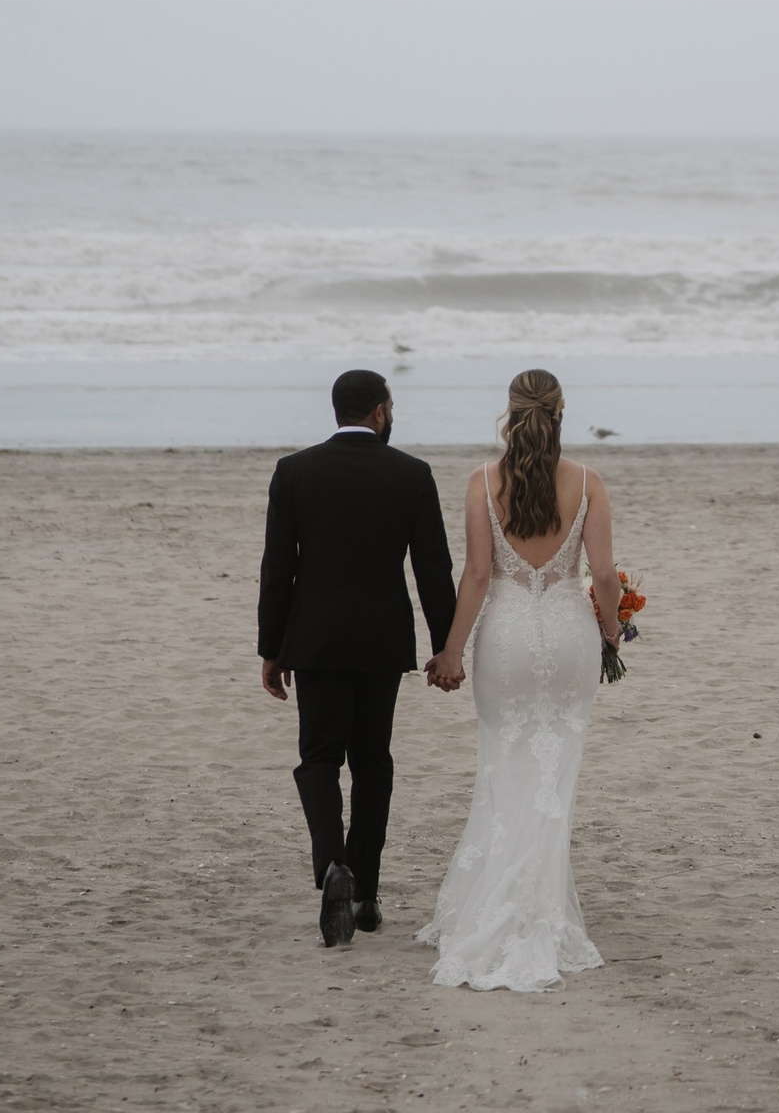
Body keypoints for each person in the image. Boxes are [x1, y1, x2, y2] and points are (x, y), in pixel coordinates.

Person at [416, 366, 623, 993]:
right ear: (562, 410)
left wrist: (452, 650)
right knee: (554, 777)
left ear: (511, 411)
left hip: (504, 638)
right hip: (567, 636)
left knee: (503, 766)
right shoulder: (587, 482)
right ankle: (541, 912)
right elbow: (606, 576)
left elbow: (477, 575)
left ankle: (500, 904)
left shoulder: (483, 482)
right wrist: (612, 634)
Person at [258, 367, 457, 947]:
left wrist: (272, 648)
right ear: (379, 412)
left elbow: (277, 569)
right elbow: (432, 568)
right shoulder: (412, 474)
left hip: (314, 641)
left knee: (318, 758)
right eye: (390, 407)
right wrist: (447, 644)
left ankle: (331, 866)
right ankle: (366, 891)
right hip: (381, 642)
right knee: (373, 762)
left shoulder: (294, 472)